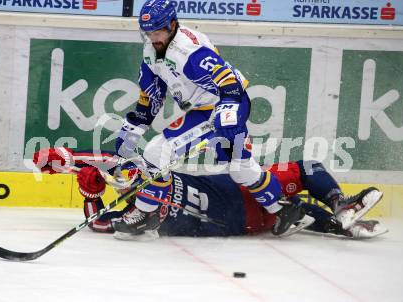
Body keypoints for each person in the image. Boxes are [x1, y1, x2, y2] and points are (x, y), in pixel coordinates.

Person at [112, 0, 295, 235]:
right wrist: (133, 127)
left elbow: (228, 81)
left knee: (157, 151)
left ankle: (146, 213)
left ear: (172, 25)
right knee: (240, 168)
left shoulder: (189, 51)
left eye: (157, 31)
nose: (153, 37)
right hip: (207, 108)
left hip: (225, 104)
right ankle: (284, 210)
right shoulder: (151, 50)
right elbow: (151, 95)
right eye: (148, 32)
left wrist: (227, 115)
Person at [32, 148, 387, 241]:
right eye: (118, 181)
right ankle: (322, 219)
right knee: (297, 207)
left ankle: (342, 211)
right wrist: (87, 190)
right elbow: (98, 225)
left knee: (306, 169)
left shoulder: (145, 173)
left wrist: (68, 161)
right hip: (240, 220)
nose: (124, 179)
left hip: (245, 189)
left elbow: (111, 160)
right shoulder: (127, 212)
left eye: (126, 176)